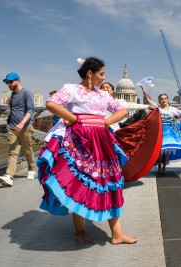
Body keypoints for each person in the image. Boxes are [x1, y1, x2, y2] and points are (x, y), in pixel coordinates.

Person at [36, 57, 138, 244]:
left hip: (102, 141)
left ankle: (117, 234)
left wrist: (105, 122)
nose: (103, 78)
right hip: (80, 142)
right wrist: (74, 119)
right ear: (90, 73)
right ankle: (80, 231)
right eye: (101, 74)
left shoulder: (102, 95)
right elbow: (51, 103)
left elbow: (122, 111)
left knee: (110, 181)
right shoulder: (72, 89)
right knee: (81, 183)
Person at [0, 72, 36, 187]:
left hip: (25, 127)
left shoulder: (27, 92)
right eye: (7, 82)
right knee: (13, 151)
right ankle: (9, 176)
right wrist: (11, 104)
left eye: (11, 81)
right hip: (12, 127)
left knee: (27, 149)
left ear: (18, 81)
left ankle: (32, 169)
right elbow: (17, 108)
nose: (9, 84)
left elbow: (30, 110)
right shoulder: (13, 94)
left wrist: (22, 123)